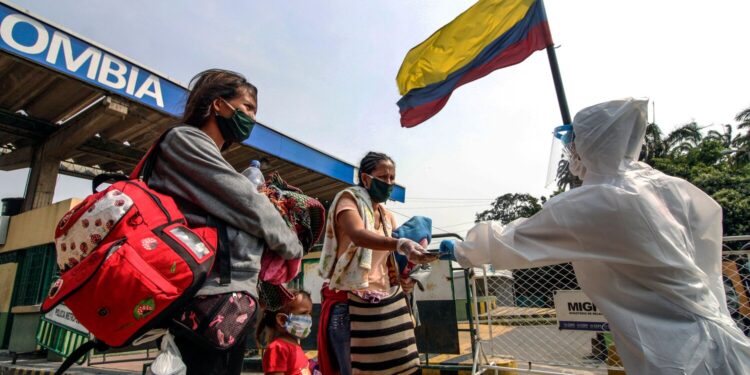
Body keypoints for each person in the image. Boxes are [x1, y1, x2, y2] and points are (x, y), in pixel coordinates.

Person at [441, 98, 750, 374]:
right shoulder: (662, 185)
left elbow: (508, 242)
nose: (570, 152)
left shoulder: (598, 200)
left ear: (590, 145)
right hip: (721, 337)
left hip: (679, 356)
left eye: (573, 143)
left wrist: (457, 249)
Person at [148, 69, 303, 375]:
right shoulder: (185, 140)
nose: (251, 118)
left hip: (227, 299)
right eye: (246, 107)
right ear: (218, 104)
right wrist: (292, 245)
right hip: (206, 299)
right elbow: (248, 204)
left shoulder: (212, 157)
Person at [317, 151, 436, 375]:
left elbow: (389, 259)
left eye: (392, 177)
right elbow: (358, 235)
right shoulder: (348, 199)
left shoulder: (386, 216)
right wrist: (401, 244)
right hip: (349, 305)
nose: (389, 183)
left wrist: (405, 276)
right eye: (383, 177)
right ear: (365, 179)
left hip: (386, 305)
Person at [257, 289, 314, 375]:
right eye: (303, 313)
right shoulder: (278, 348)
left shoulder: (295, 344)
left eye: (310, 314)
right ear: (282, 320)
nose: (308, 318)